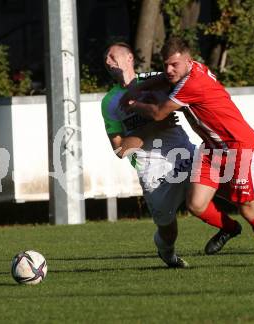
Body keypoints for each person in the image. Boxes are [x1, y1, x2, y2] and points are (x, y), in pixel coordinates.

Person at [121, 37, 254, 266]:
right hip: (212, 149)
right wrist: (137, 88)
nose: (169, 69)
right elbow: (161, 79)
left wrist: (133, 103)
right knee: (196, 204)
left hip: (239, 147)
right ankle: (230, 229)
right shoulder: (186, 72)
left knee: (247, 205)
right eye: (165, 64)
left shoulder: (192, 83)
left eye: (174, 64)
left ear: (189, 61)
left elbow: (157, 113)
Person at [101, 42, 195, 268]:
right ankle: (166, 251)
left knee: (226, 191)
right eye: (106, 59)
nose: (107, 62)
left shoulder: (156, 80)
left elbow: (189, 82)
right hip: (151, 169)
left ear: (129, 58)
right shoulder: (109, 102)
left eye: (112, 56)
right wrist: (155, 126)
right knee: (168, 229)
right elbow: (120, 150)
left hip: (183, 152)